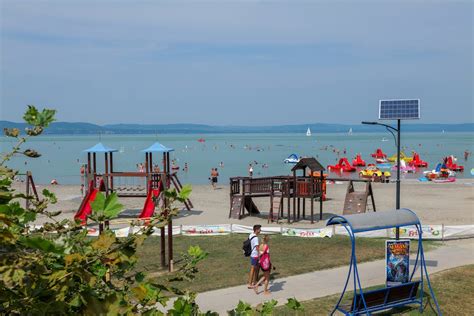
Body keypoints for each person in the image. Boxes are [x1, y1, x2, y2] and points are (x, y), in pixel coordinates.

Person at [247, 225, 261, 289]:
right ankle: (250, 283)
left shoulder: (251, 235)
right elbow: (257, 247)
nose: (260, 230)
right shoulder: (256, 238)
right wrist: (259, 255)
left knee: (257, 268)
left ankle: (255, 281)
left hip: (252, 254)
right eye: (259, 229)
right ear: (257, 230)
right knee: (253, 269)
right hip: (255, 255)